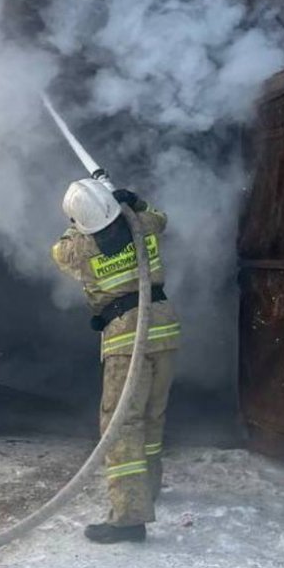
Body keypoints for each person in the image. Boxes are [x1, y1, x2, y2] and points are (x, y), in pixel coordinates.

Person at [51, 177, 180, 543]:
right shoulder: (143, 224)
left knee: (121, 426)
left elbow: (58, 250)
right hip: (164, 326)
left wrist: (80, 218)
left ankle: (129, 517)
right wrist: (131, 201)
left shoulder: (82, 247)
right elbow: (161, 218)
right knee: (152, 415)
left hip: (127, 337)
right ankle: (149, 487)